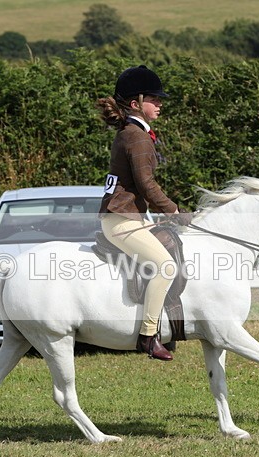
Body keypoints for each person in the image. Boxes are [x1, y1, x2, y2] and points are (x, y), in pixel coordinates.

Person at [97, 65, 192, 362]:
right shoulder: (135, 136)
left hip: (128, 217)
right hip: (121, 221)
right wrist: (173, 210)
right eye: (154, 98)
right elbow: (146, 183)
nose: (160, 103)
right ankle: (148, 336)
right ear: (136, 103)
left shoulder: (134, 132)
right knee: (165, 266)